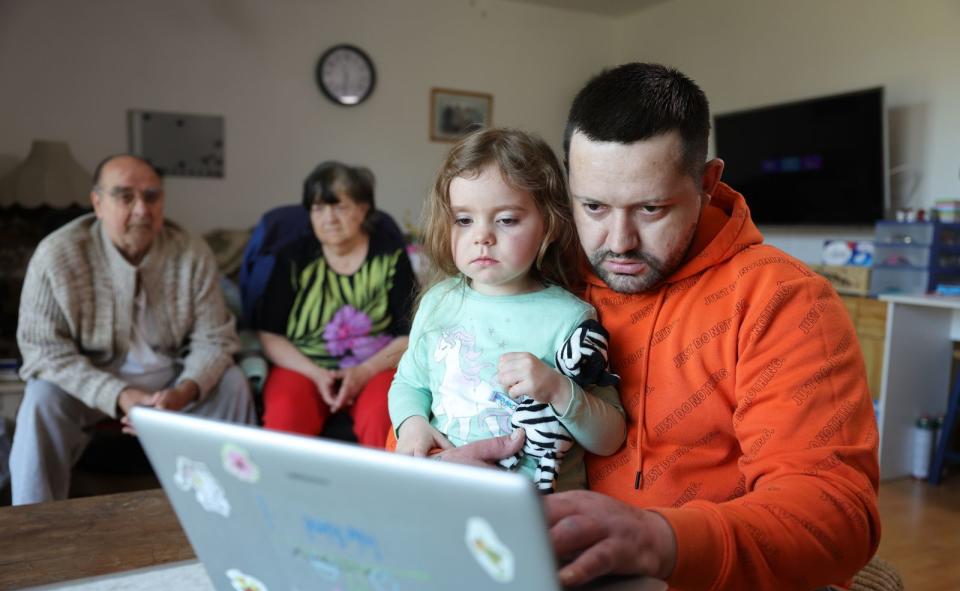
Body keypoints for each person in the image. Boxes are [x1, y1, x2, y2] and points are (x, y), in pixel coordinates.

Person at [427, 65, 881, 591]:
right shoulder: (543, 277)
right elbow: (425, 396)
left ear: (708, 183)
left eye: (651, 209)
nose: (617, 243)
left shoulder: (783, 301)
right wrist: (434, 464)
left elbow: (833, 514)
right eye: (593, 207)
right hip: (562, 576)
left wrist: (659, 539)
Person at [388, 128, 625, 492]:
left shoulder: (570, 318)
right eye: (464, 220)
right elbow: (408, 383)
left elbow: (610, 437)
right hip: (447, 493)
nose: (482, 236)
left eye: (507, 219)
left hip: (540, 511)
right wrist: (412, 424)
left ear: (549, 224)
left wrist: (558, 389)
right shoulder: (439, 302)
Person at [10, 154, 256, 505]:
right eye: (125, 197)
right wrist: (120, 395)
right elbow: (42, 350)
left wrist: (184, 391)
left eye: (152, 196)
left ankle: (236, 507)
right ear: (97, 202)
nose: (142, 209)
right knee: (41, 398)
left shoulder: (190, 252)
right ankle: (34, 525)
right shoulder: (58, 255)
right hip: (92, 381)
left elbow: (215, 338)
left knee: (233, 384)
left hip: (171, 378)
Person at [256, 162, 415, 447]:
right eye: (318, 208)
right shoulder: (291, 257)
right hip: (304, 366)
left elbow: (408, 335)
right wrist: (316, 374)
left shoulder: (390, 256)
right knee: (285, 418)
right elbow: (269, 334)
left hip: (376, 366)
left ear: (363, 209)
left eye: (339, 207)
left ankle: (379, 491)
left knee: (384, 419)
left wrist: (363, 372)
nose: (328, 218)